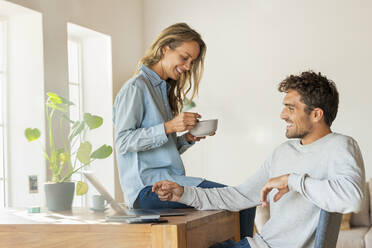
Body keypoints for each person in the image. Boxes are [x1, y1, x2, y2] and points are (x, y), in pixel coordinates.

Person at [153, 71, 365, 248]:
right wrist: (184, 193)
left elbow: (352, 199)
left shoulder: (340, 145)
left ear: (316, 114)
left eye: (291, 108)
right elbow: (241, 196)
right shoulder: (284, 151)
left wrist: (292, 181)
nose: (282, 115)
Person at [113, 23, 254, 238]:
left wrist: (187, 138)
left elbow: (159, 150)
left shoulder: (162, 90)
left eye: (192, 61)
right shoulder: (136, 87)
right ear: (165, 49)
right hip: (148, 190)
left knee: (241, 202)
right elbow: (123, 142)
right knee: (241, 201)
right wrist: (169, 126)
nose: (188, 66)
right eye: (185, 57)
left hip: (169, 182)